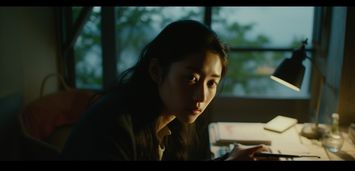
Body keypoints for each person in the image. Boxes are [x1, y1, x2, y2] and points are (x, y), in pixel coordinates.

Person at [60, 19, 270, 160]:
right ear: (156, 71)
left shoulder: (172, 117)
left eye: (211, 83)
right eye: (191, 78)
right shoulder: (115, 128)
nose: (202, 96)